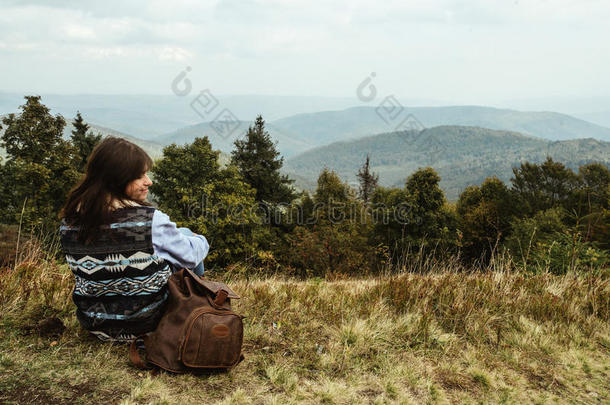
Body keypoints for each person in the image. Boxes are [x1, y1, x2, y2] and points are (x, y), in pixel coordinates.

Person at [59, 136, 209, 342]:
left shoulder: (70, 220)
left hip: (96, 325)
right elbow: (191, 257)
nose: (149, 181)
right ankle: (196, 308)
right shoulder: (150, 222)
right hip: (149, 325)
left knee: (175, 237)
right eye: (140, 176)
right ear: (118, 179)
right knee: (187, 239)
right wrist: (198, 238)